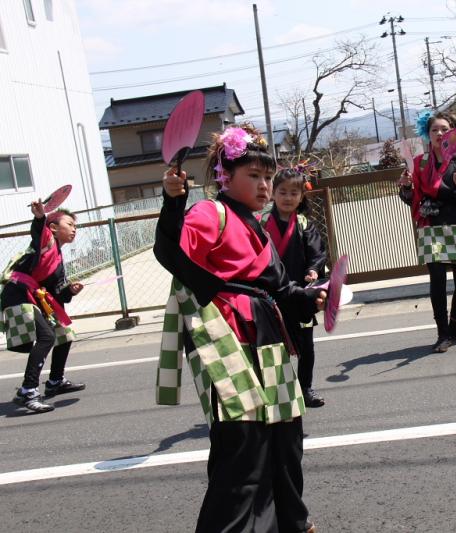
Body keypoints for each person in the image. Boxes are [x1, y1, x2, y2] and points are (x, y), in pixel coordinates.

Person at [153, 123, 323, 533]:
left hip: (266, 331)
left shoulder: (257, 227)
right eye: (255, 176)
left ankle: (289, 523)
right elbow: (171, 250)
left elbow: (280, 287)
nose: (265, 185)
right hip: (223, 330)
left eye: (268, 176)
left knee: (285, 434)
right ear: (225, 176)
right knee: (242, 441)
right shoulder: (209, 212)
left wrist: (307, 297)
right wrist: (173, 202)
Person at [397, 111, 456, 353]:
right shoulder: (420, 163)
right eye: (434, 130)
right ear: (428, 134)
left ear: (452, 133)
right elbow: (411, 198)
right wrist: (406, 188)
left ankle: (455, 324)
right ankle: (443, 333)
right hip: (431, 225)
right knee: (437, 281)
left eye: (444, 129)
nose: (439, 133)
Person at [1, 205, 85, 414]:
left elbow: (59, 293)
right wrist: (40, 217)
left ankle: (55, 381)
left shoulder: (58, 258)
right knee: (47, 337)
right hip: (17, 293)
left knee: (63, 333)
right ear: (54, 228)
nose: (74, 229)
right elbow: (39, 230)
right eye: (70, 225)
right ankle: (28, 390)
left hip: (33, 297)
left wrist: (71, 290)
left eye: (76, 226)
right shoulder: (46, 243)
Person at [263, 167, 328, 408]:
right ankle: (280, 391)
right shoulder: (261, 223)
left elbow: (317, 253)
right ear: (272, 193)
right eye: (282, 192)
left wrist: (313, 269)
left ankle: (305, 388)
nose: (288, 197)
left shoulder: (303, 224)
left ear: (301, 196)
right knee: (272, 348)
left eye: (293, 193)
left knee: (306, 346)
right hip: (269, 297)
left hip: (300, 295)